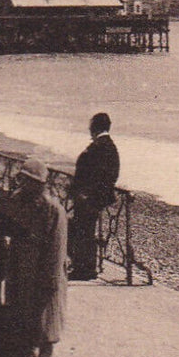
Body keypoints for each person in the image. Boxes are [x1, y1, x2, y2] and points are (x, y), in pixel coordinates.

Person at [8, 157, 67, 357]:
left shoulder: (54, 211)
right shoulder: (17, 201)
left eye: (30, 181)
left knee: (46, 335)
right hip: (20, 278)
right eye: (23, 180)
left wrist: (49, 285)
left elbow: (57, 252)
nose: (24, 185)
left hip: (44, 282)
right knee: (23, 331)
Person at [68, 112, 119, 280]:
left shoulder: (101, 146)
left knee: (84, 232)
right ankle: (84, 266)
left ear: (95, 127)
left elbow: (99, 175)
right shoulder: (108, 146)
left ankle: (84, 269)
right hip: (93, 197)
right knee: (84, 231)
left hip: (89, 198)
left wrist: (86, 194)